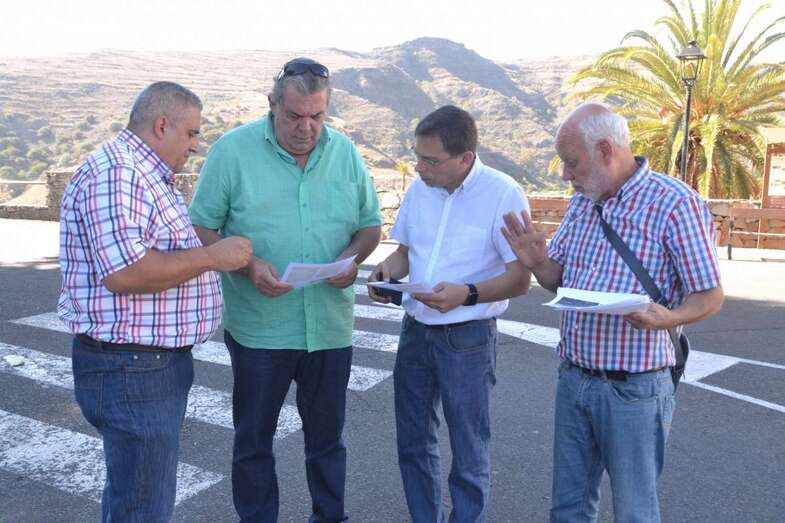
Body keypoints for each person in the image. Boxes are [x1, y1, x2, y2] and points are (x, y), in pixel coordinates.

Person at [501, 103, 724, 523]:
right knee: (568, 506)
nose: (565, 175)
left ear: (605, 149)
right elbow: (558, 280)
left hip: (634, 390)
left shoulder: (675, 203)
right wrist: (537, 263)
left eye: (571, 162)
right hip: (574, 378)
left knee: (635, 511)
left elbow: (710, 295)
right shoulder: (584, 202)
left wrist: (668, 318)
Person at [188, 57, 382, 523]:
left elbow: (370, 226)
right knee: (254, 442)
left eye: (317, 116)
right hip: (260, 331)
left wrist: (352, 261)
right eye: (294, 115)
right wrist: (248, 265)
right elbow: (202, 226)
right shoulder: (232, 151)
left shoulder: (345, 153)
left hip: (329, 329)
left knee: (327, 442)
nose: (306, 127)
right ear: (271, 104)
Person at [58, 81, 252, 522]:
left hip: (144, 367)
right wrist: (212, 256)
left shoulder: (141, 174)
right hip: (133, 369)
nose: (197, 146)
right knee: (143, 507)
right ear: (162, 125)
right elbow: (126, 273)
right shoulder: (119, 173)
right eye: (191, 134)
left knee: (136, 496)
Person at [368, 105, 531, 523]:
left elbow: (519, 280)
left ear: (464, 158)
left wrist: (467, 294)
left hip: (468, 337)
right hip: (415, 329)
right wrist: (388, 272)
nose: (420, 168)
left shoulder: (503, 193)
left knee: (469, 445)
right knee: (413, 442)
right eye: (417, 156)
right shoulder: (420, 188)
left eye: (431, 160)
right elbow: (405, 253)